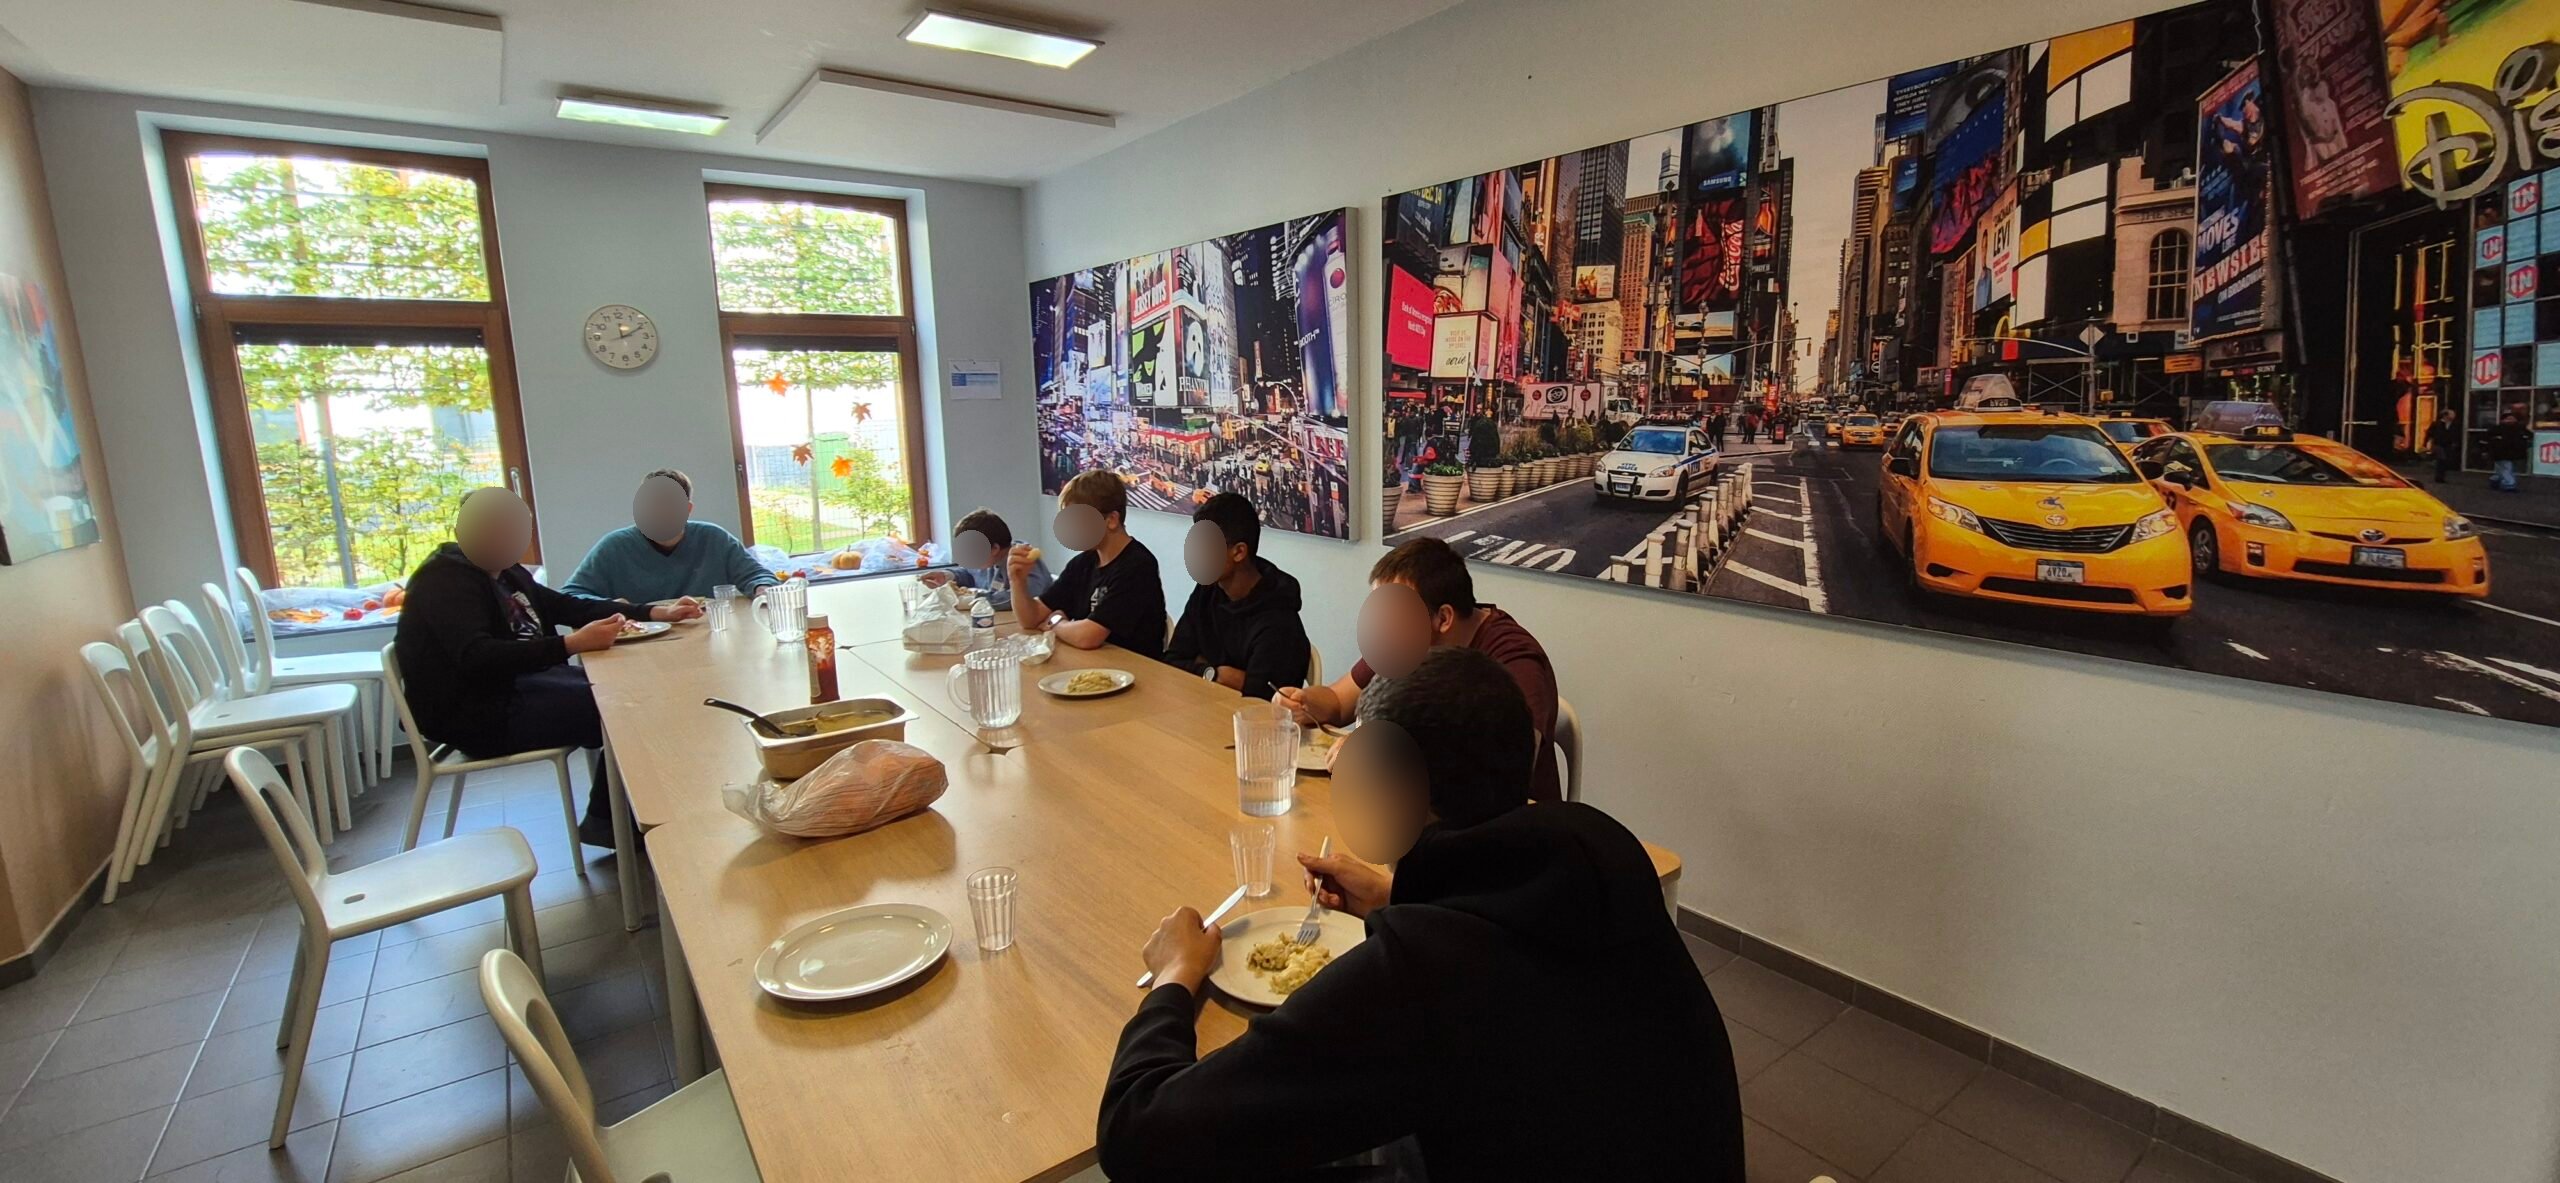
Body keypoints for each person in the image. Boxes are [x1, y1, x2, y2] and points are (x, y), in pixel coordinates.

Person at [1100, 648, 1744, 1182]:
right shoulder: (1601, 849)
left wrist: (1174, 977)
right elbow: (1517, 967)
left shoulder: (1421, 968)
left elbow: (1139, 1134)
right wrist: (1396, 898)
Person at [394, 488, 700, 849]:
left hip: (520, 688)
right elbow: (477, 656)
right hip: (479, 713)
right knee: (628, 709)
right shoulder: (444, 580)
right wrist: (571, 644)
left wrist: (653, 612)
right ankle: (612, 822)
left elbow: (567, 606)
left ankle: (618, 817)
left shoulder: (507, 572)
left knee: (637, 693)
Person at [1279, 538, 1561, 803]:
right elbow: (1340, 702)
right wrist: (1305, 703)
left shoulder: (1515, 661)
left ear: (1443, 618)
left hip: (1503, 822)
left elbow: (1504, 771)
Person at [1164, 492, 1311, 699]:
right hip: (1201, 706)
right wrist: (1214, 674)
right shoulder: (1207, 590)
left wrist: (1201, 663)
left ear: (1239, 552)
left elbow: (1265, 697)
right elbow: (1172, 660)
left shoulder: (1278, 620)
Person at [1012, 470, 1167, 662]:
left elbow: (1088, 636)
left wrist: (1056, 623)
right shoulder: (1083, 563)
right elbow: (1031, 618)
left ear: (1111, 520)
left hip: (1136, 669)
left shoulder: (1138, 565)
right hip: (1092, 663)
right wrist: (1018, 581)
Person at [562, 470, 776, 604]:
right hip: (641, 642)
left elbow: (757, 575)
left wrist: (762, 589)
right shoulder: (614, 546)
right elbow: (571, 595)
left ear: (687, 510)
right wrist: (610, 605)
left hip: (704, 633)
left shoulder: (714, 538)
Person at [922, 507, 1050, 611]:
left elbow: (1026, 597)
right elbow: (970, 574)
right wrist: (948, 576)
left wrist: (976, 600)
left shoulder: (1024, 562)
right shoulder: (989, 561)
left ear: (994, 549)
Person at [2488, 410, 2531, 492]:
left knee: (2502, 468)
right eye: (2508, 419)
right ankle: (2509, 484)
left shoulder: (2520, 429)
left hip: (2513, 453)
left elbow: (2529, 436)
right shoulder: (2497, 429)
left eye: (2512, 418)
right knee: (2506, 467)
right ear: (2503, 420)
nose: (2510, 420)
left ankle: (2496, 480)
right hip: (2501, 452)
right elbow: (2488, 438)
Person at [2426, 409, 2460, 484]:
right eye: (2451, 414)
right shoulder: (2437, 424)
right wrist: (2427, 443)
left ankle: (2441, 476)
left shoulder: (2454, 424)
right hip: (2439, 444)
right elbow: (2430, 433)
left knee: (2445, 461)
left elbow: (2455, 434)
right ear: (2445, 415)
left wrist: (2455, 442)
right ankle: (2439, 477)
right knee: (2441, 459)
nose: (2453, 416)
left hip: (2448, 445)